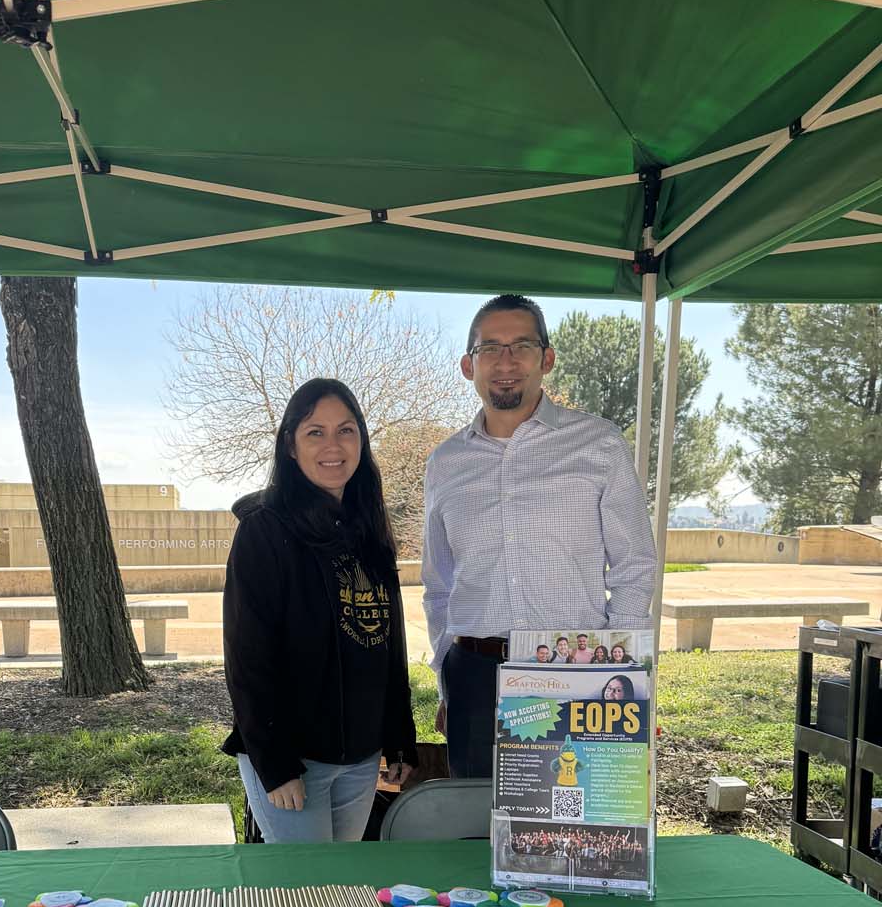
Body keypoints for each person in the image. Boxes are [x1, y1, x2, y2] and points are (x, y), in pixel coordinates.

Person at [422, 292, 656, 778]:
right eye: (490, 349)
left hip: (575, 672)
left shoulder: (599, 444)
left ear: (546, 359)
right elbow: (439, 585)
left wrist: (622, 673)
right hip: (474, 677)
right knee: (475, 836)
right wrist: (449, 684)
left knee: (575, 832)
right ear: (469, 365)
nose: (505, 362)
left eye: (521, 346)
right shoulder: (444, 463)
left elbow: (635, 567)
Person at [222, 377, 417, 842]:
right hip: (294, 761)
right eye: (315, 432)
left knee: (339, 892)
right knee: (300, 896)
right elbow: (248, 659)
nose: (333, 445)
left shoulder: (370, 532)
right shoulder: (263, 532)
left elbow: (390, 648)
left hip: (361, 759)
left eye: (346, 430)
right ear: (290, 445)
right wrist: (275, 764)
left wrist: (400, 737)